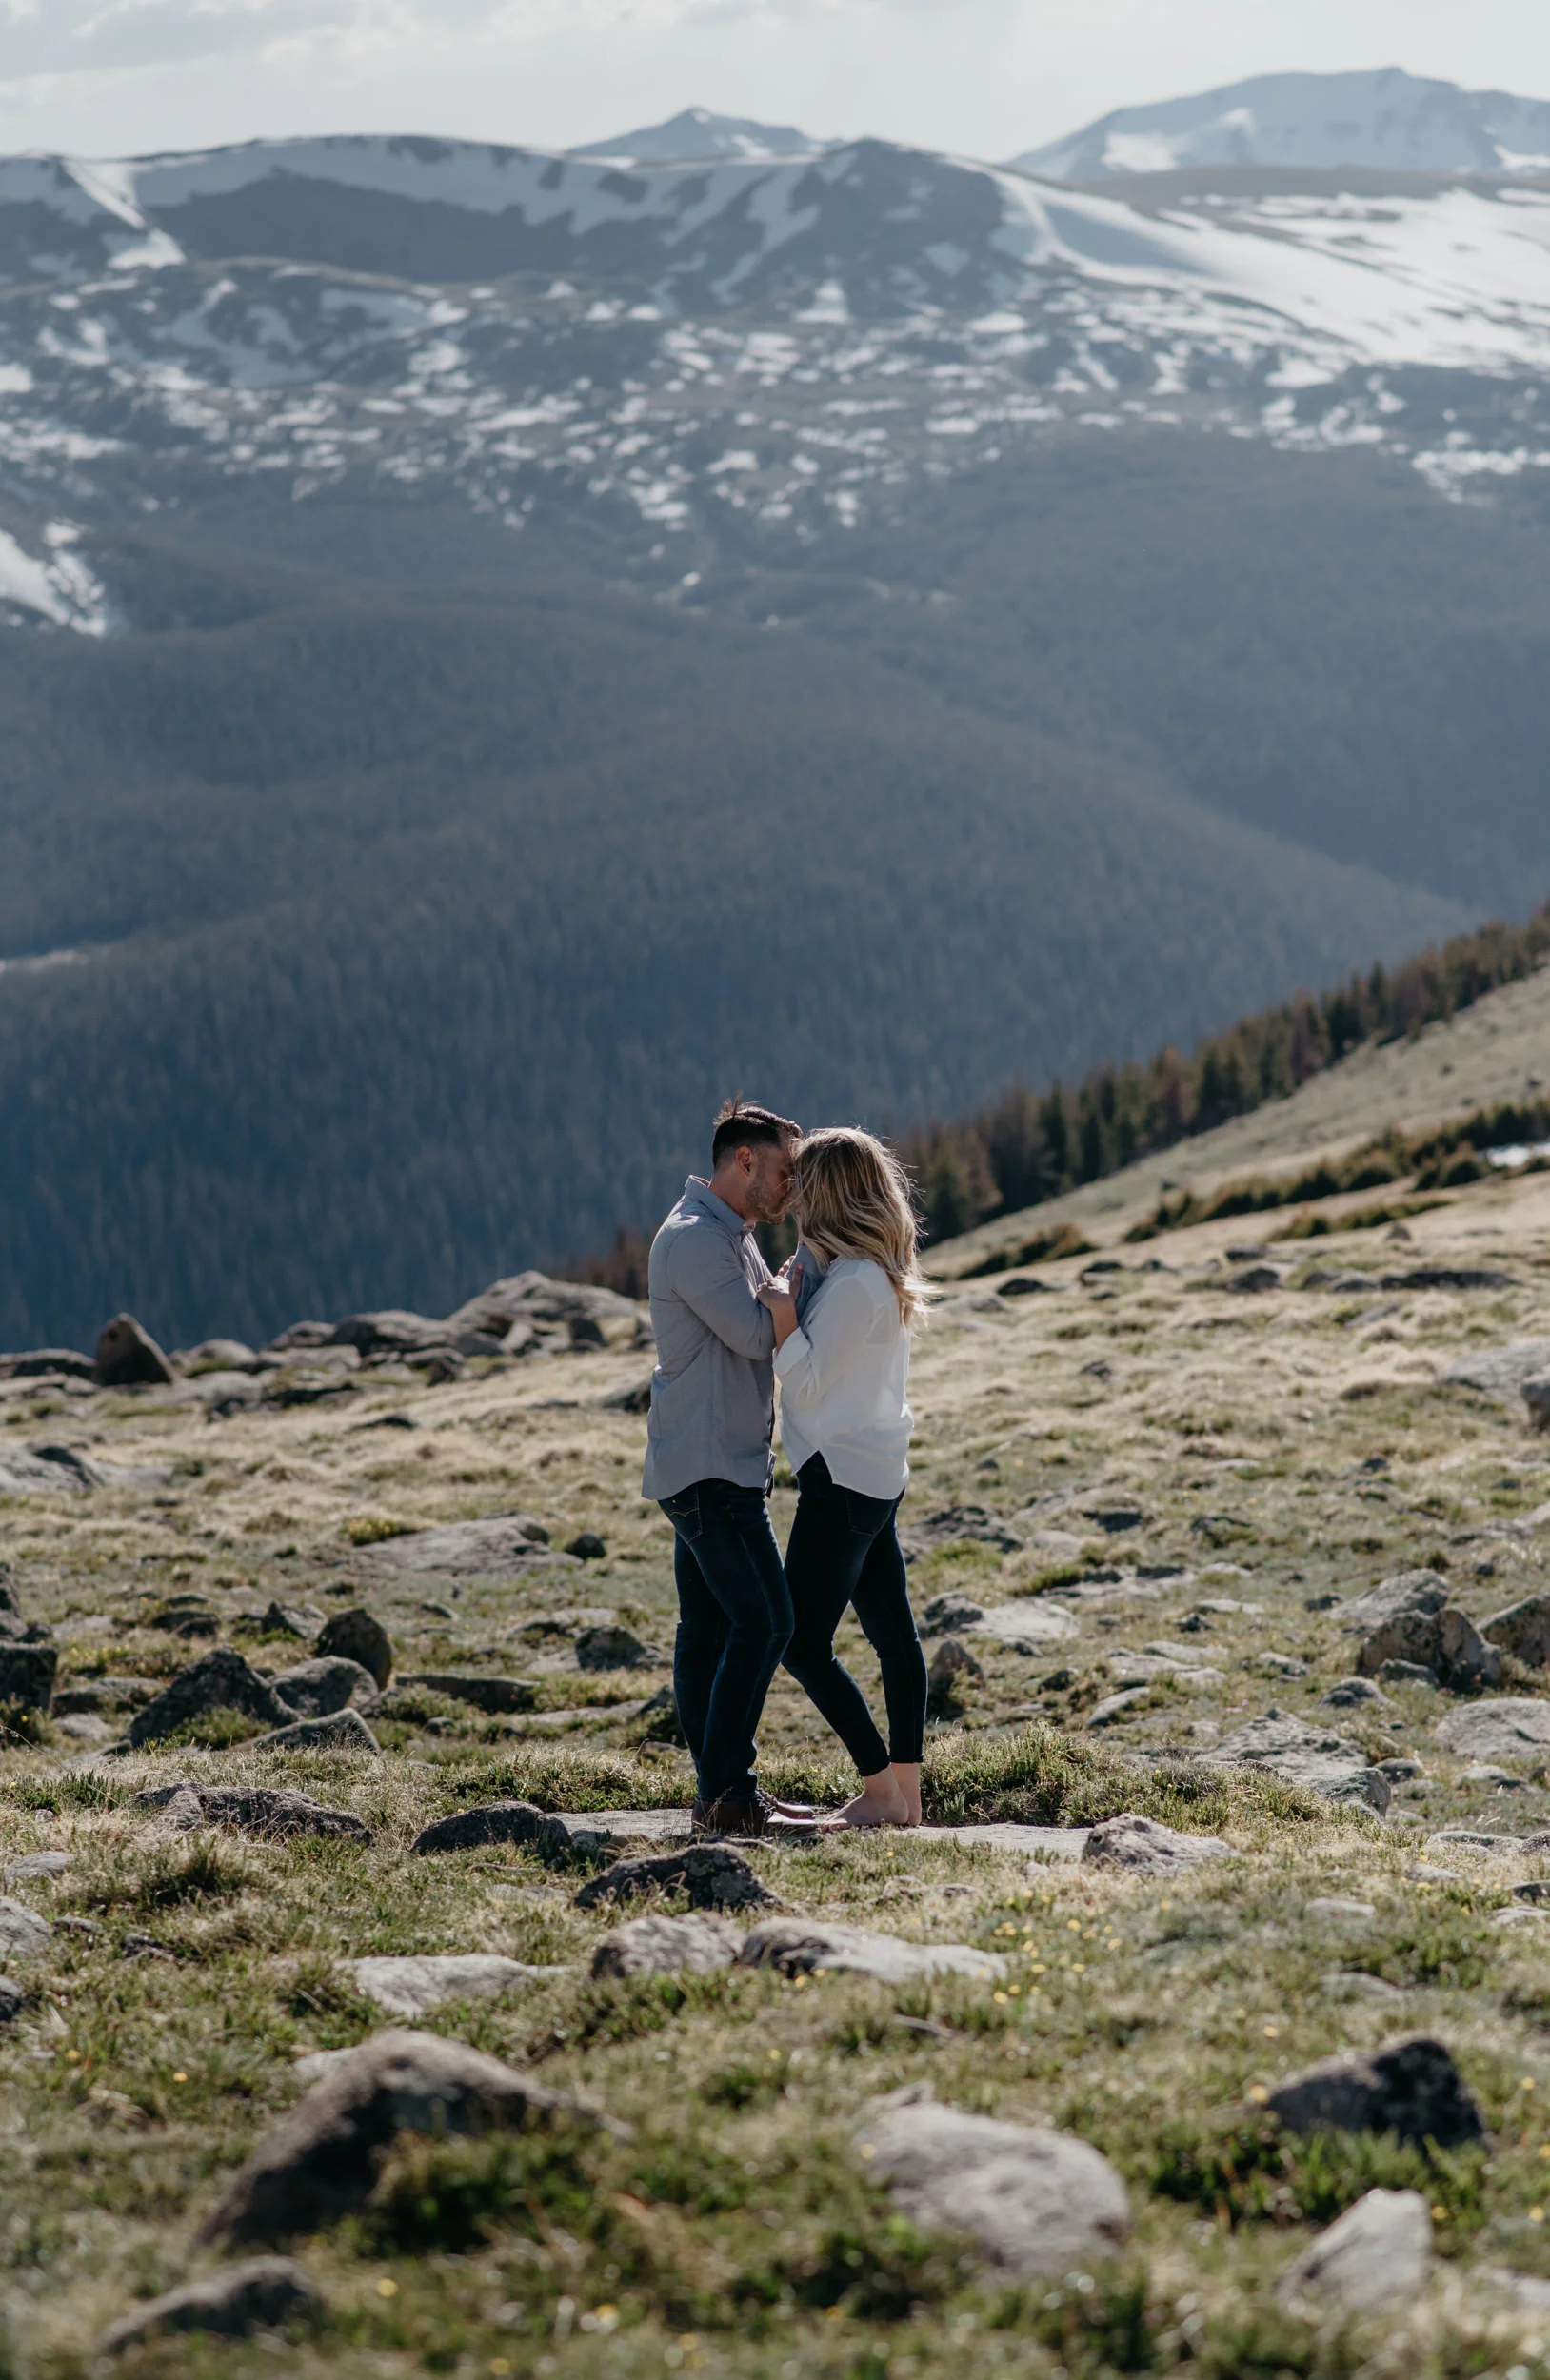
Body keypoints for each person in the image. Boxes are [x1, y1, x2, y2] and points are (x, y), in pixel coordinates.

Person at [643, 1097, 818, 1838]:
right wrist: (790, 1293)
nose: (791, 1189)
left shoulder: (731, 1233)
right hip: (709, 1468)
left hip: (718, 1463)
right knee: (768, 1621)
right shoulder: (694, 1240)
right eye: (783, 1170)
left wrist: (779, 1290)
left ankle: (720, 1794)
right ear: (744, 1160)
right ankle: (728, 1792)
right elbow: (755, 1334)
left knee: (709, 1632)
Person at [757, 1126, 933, 1827]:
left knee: (801, 1641)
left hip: (841, 1482)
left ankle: (882, 1794)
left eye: (803, 1186)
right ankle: (907, 1798)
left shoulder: (856, 1285)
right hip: (874, 1473)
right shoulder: (865, 1271)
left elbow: (803, 1387)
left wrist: (779, 1317)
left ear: (826, 1195)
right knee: (894, 1636)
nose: (791, 1197)